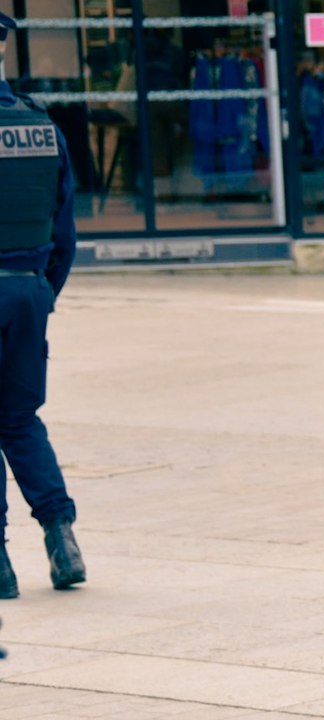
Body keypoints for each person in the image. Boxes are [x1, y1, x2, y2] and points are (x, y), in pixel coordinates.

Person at [0, 11, 84, 600]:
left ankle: (1, 567)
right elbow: (66, 234)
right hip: (29, 291)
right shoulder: (39, 126)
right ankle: (61, 538)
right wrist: (40, 292)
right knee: (19, 420)